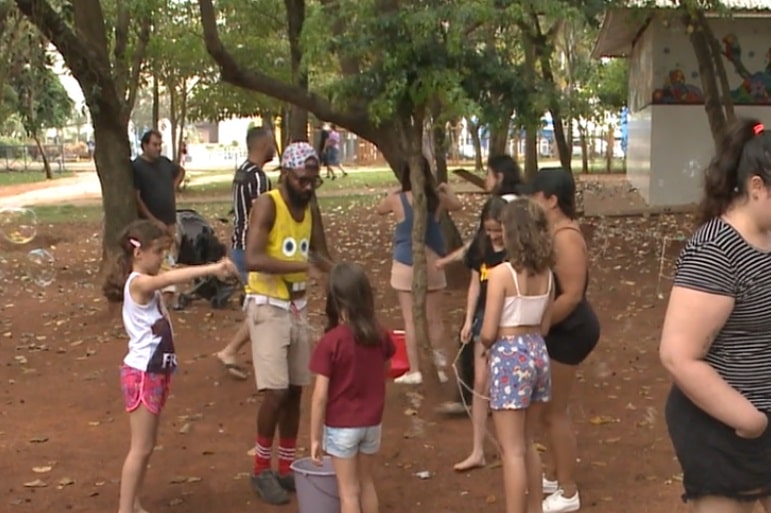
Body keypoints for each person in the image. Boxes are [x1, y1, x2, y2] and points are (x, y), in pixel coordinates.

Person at [660, 119, 771, 512]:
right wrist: (750, 420)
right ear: (757, 188)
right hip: (720, 427)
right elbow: (678, 355)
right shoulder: (715, 249)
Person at [101, 219, 237, 513]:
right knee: (141, 447)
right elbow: (168, 278)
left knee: (146, 446)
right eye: (157, 252)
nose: (161, 258)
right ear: (138, 254)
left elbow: (168, 279)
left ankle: (133, 503)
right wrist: (213, 268)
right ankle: (125, 509)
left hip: (154, 371)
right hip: (142, 374)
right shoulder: (139, 283)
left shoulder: (144, 281)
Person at [244, 141, 333, 505]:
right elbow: (252, 257)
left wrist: (337, 292)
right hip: (267, 304)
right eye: (302, 180)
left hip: (297, 306)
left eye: (314, 180)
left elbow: (321, 255)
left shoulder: (309, 205)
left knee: (297, 389)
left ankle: (286, 466)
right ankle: (260, 469)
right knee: (276, 391)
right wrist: (302, 268)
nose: (309, 187)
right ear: (286, 174)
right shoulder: (268, 203)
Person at [526, 168, 600, 513]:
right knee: (547, 412)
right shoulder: (552, 232)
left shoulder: (566, 237)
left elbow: (571, 295)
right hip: (558, 327)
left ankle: (568, 491)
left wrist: (537, 327)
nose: (531, 203)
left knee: (554, 412)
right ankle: (556, 476)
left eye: (535, 196)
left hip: (571, 329)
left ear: (551, 200)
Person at [480, 198, 555, 513]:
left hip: (510, 355)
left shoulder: (501, 274)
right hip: (538, 351)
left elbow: (487, 331)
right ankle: (536, 508)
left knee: (510, 450)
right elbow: (546, 325)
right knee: (527, 443)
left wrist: (487, 348)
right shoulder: (548, 275)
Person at [436, 154, 524, 415]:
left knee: (483, 343)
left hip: (500, 294)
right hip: (497, 291)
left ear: (499, 177)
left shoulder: (503, 208)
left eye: (488, 174)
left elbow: (476, 247)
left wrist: (446, 261)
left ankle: (475, 398)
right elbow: (476, 252)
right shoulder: (517, 205)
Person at [309, 262, 395, 513]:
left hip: (341, 426)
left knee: (348, 493)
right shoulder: (379, 334)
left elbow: (319, 397)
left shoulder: (331, 342)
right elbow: (386, 368)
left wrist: (315, 437)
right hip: (372, 423)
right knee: (366, 484)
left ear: (335, 300)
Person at [375, 156, 462, 385]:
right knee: (435, 320)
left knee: (410, 320)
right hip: (434, 263)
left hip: (405, 264)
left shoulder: (397, 199)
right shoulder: (437, 199)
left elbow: (379, 209)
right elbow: (457, 204)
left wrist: (399, 190)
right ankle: (439, 368)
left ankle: (415, 370)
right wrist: (445, 188)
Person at [444, 196, 509, 471]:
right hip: (483, 318)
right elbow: (474, 286)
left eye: (498, 229)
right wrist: (468, 320)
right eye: (489, 228)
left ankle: (511, 450)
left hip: (508, 319)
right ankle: (478, 450)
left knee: (503, 386)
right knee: (481, 384)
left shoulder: (515, 251)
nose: (493, 234)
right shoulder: (480, 248)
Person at [216, 126, 275, 380]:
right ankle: (231, 351)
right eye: (272, 142)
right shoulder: (259, 178)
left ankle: (232, 351)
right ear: (263, 145)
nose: (274, 148)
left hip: (239, 245)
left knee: (261, 305)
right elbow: (260, 217)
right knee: (264, 305)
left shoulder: (242, 172)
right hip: (251, 249)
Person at [132, 129, 185, 304]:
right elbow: (137, 197)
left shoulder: (164, 163)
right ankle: (161, 293)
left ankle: (170, 292)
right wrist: (153, 220)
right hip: (151, 223)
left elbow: (180, 171)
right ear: (145, 146)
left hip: (169, 219)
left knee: (170, 255)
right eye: (154, 145)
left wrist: (172, 187)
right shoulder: (137, 167)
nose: (158, 148)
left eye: (159, 145)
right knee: (155, 256)